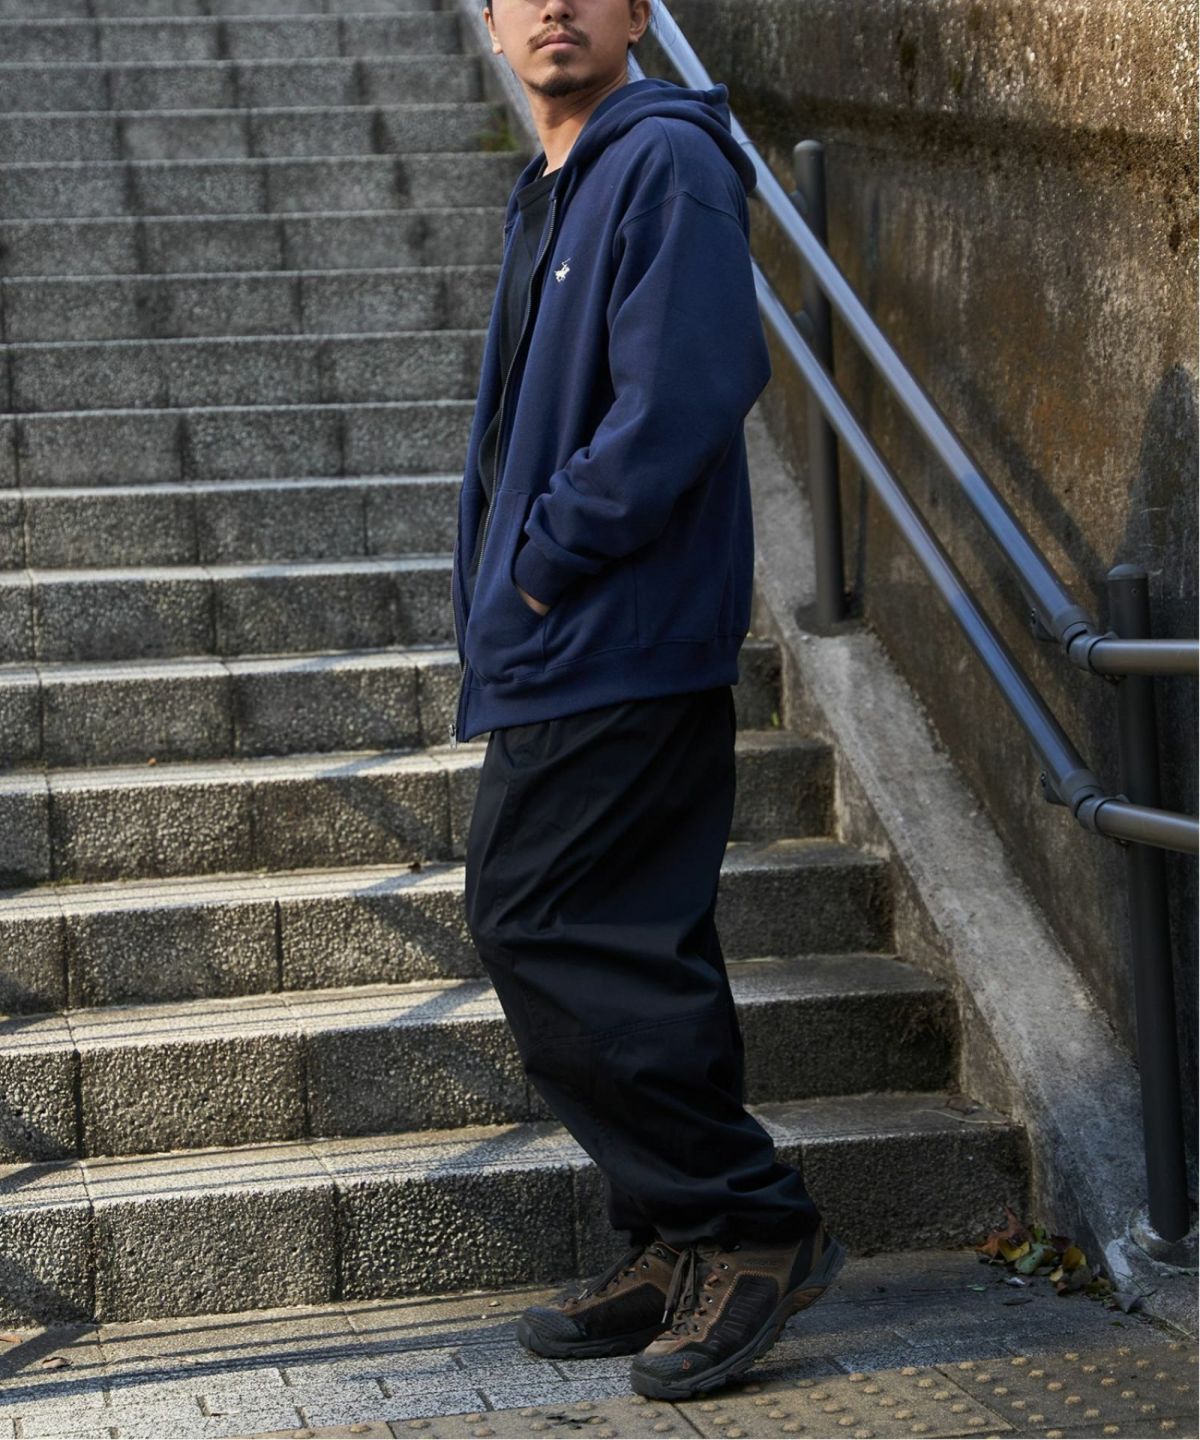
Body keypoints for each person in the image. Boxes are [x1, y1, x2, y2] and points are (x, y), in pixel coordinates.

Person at [451, 0, 845, 1401]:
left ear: (635, 13)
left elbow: (688, 388)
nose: (553, 6)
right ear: (490, 22)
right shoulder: (556, 183)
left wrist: (543, 564)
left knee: (532, 913)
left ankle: (749, 1222)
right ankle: (676, 1232)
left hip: (617, 627)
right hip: (578, 637)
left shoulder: (663, 156)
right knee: (634, 937)